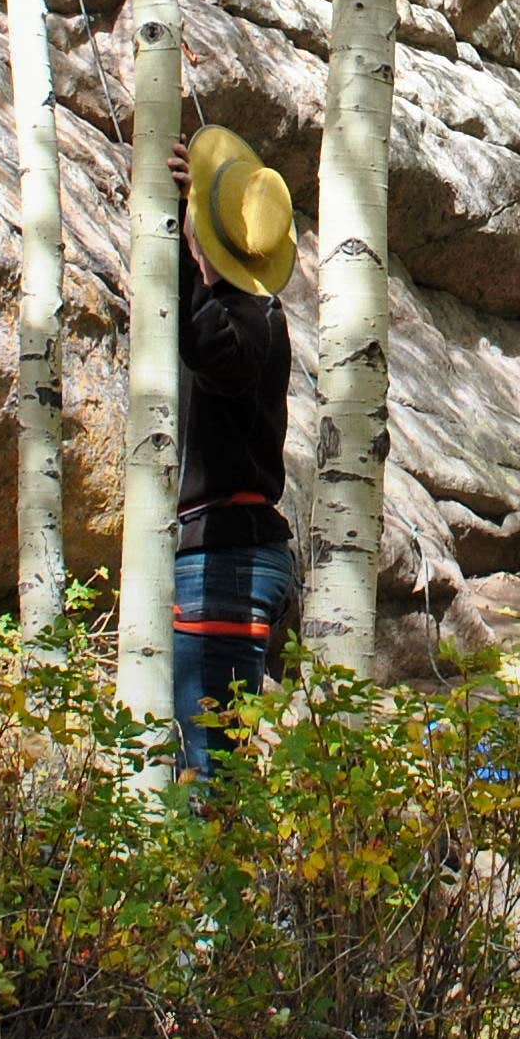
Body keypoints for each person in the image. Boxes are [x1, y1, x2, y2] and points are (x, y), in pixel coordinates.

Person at [171, 125, 302, 778]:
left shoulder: (245, 323)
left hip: (226, 562)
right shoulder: (262, 313)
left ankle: (217, 877)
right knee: (218, 759)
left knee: (210, 772)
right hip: (246, 553)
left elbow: (198, 337)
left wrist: (177, 228)